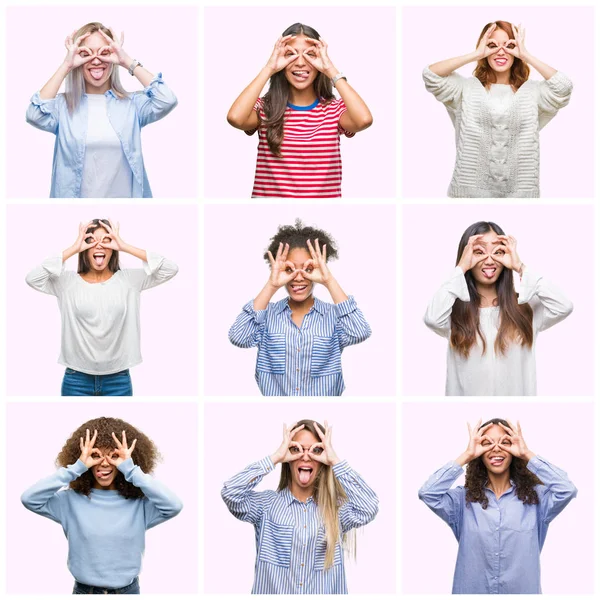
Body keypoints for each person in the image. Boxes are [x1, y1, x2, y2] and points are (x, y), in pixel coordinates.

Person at [21, 417, 183, 594]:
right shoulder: (68, 501)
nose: (105, 463)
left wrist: (130, 469)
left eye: (114, 456)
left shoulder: (140, 505)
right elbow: (30, 498)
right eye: (95, 455)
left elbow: (173, 505)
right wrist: (75, 468)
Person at [418, 418, 577, 594]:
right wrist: (467, 455)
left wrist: (526, 453)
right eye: (487, 443)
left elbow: (567, 489)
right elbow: (427, 493)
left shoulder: (537, 498)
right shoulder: (462, 501)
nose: (496, 448)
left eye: (505, 442)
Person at [222, 420, 378, 594]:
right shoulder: (266, 506)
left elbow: (369, 507)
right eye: (296, 449)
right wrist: (275, 457)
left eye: (315, 450)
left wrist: (335, 461)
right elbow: (230, 493)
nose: (305, 456)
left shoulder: (337, 510)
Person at [26, 219, 178, 396]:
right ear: (85, 249)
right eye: (92, 241)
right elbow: (32, 278)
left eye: (106, 240)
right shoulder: (66, 282)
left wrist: (124, 245)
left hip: (118, 380)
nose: (99, 246)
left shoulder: (129, 280)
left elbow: (170, 269)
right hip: (76, 380)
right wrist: (74, 248)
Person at [26, 22, 177, 198]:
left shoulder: (133, 105)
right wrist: (66, 66)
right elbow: (34, 115)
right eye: (86, 53)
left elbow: (167, 99)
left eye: (104, 53)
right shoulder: (62, 107)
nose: (96, 60)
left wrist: (126, 60)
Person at [423, 21, 572, 198]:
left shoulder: (533, 92)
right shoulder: (466, 88)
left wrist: (526, 55)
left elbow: (564, 87)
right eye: (492, 45)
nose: (501, 51)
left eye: (509, 45)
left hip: (520, 195)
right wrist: (475, 54)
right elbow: (431, 75)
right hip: (468, 193)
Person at [424, 221, 572, 395]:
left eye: (498, 252)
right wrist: (461, 268)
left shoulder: (526, 308)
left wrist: (520, 266)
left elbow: (563, 306)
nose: (489, 260)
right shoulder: (452, 310)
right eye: (479, 252)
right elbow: (432, 319)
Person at [227, 23, 372, 198]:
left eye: (310, 55)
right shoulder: (265, 108)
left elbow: (364, 120)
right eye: (291, 55)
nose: (301, 62)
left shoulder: (335, 110)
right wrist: (269, 68)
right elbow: (235, 118)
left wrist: (330, 69)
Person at [228, 220, 371, 395]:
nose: (298, 277)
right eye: (290, 270)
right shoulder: (266, 315)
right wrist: (272, 285)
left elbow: (360, 332)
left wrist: (329, 280)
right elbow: (238, 337)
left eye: (308, 269)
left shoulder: (333, 316)